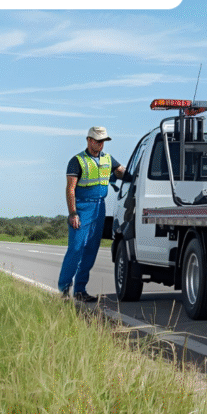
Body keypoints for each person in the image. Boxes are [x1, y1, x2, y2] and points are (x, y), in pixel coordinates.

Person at [59, 126, 126, 302]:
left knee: (91, 250)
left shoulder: (107, 159)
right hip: (81, 208)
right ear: (89, 140)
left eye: (103, 141)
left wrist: (137, 173)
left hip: (99, 207)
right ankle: (63, 290)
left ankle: (80, 290)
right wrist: (73, 213)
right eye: (97, 141)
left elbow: (121, 171)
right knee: (76, 248)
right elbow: (70, 189)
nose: (100, 144)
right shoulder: (77, 161)